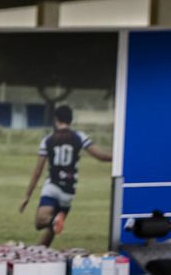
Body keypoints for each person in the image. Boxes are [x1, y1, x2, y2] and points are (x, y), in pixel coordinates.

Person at [17, 104, 112, 247]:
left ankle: (53, 223)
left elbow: (38, 171)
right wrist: (120, 156)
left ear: (55, 119)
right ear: (71, 120)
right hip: (69, 190)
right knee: (52, 227)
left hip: (53, 185)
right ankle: (42, 253)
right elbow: (100, 156)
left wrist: (27, 196)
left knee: (41, 221)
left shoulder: (48, 140)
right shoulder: (79, 137)